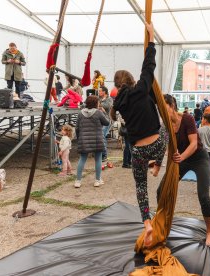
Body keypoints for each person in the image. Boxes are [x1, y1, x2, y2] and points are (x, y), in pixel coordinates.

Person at [111, 22, 167, 247]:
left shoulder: (118, 104)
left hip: (138, 151)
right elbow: (149, 64)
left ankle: (146, 223)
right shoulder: (142, 88)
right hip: (156, 145)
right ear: (132, 79)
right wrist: (151, 37)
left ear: (116, 85)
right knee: (166, 130)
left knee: (141, 188)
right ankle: (158, 165)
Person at [160, 94, 210, 245]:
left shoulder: (187, 118)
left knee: (203, 196)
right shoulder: (166, 125)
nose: (162, 112)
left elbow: (193, 143)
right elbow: (165, 146)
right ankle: (163, 223)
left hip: (198, 157)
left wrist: (181, 157)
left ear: (173, 106)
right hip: (181, 159)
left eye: (164, 108)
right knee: (161, 190)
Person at [75, 95, 110, 188]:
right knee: (98, 159)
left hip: (84, 139)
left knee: (82, 159)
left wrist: (79, 139)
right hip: (97, 139)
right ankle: (97, 180)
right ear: (95, 103)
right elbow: (107, 123)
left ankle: (78, 181)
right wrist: (105, 113)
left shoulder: (80, 113)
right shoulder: (98, 113)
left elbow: (77, 128)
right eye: (98, 102)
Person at [98, 86, 113, 162]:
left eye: (100, 91)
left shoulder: (109, 99)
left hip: (107, 120)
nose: (99, 92)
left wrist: (99, 105)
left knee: (102, 136)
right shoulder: (99, 99)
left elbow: (108, 106)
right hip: (100, 120)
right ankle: (101, 154)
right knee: (101, 137)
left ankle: (104, 155)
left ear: (104, 92)